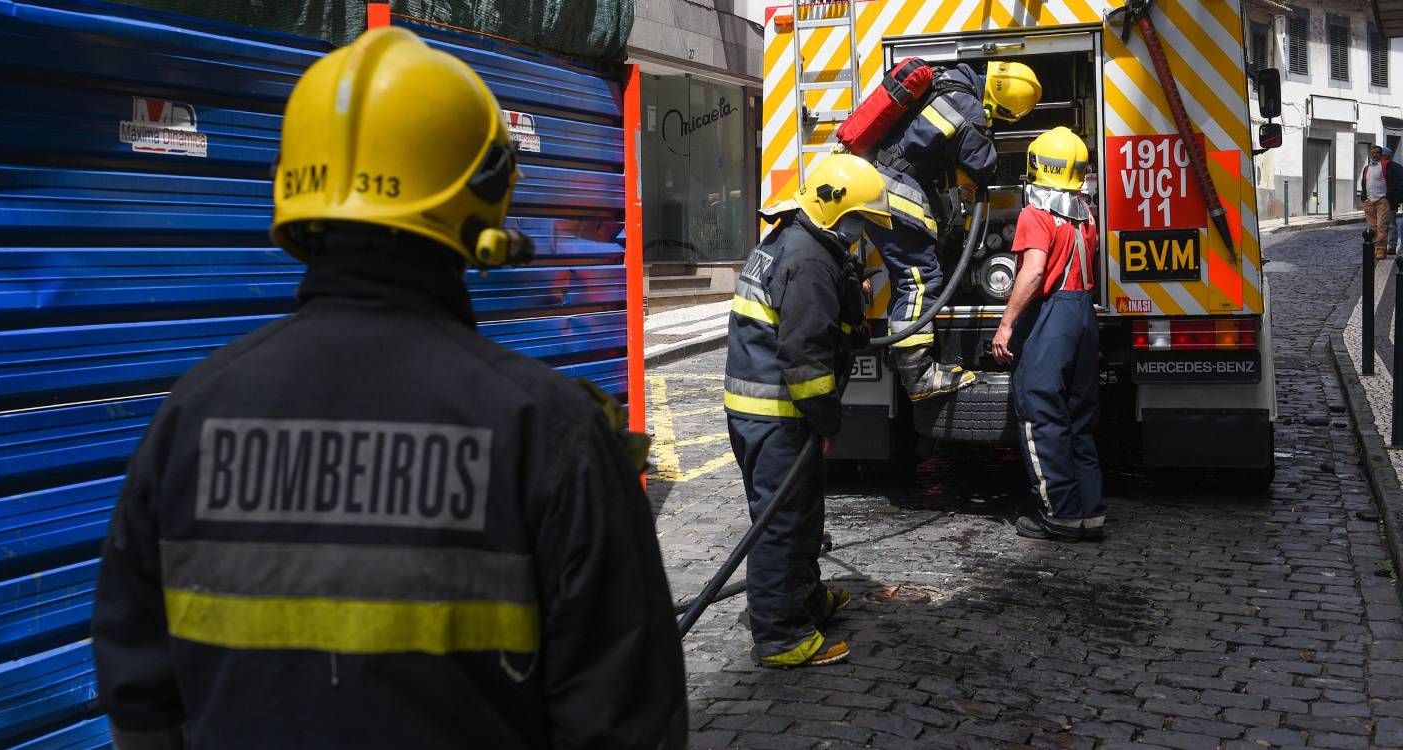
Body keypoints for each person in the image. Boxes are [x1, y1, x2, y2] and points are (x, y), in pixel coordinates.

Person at [91, 27, 687, 750]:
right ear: (486, 188)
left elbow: (139, 699)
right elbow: (625, 723)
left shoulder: (191, 414)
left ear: (292, 184)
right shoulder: (551, 433)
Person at [724, 153, 891, 667]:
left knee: (801, 515)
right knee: (781, 523)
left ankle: (806, 601)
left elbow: (820, 329)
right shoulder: (811, 262)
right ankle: (782, 636)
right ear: (835, 213)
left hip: (767, 411)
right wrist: (827, 422)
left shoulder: (796, 240)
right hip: (778, 414)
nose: (862, 231)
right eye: (858, 221)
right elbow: (805, 356)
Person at [866, 60, 1042, 401]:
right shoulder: (970, 108)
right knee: (919, 279)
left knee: (918, 273)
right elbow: (982, 165)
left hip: (877, 180)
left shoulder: (948, 79)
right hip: (894, 190)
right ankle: (918, 376)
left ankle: (908, 354)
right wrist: (988, 134)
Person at [990, 127, 1105, 542]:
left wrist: (1005, 324)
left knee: (1042, 416)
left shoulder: (1035, 214)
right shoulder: (1085, 212)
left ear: (1037, 165)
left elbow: (1035, 270)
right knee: (1079, 420)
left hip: (1052, 318)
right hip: (1082, 315)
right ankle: (1089, 514)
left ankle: (1058, 515)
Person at [1358, 143, 1403, 259]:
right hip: (1369, 200)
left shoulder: (1387, 166)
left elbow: (1393, 182)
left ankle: (1381, 249)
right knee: (1373, 226)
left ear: (1381, 154)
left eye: (1377, 153)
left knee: (1382, 225)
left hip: (1383, 200)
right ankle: (1374, 247)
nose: (1375, 155)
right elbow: (1364, 182)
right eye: (1373, 153)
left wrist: (1390, 197)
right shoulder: (1367, 168)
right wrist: (1364, 195)